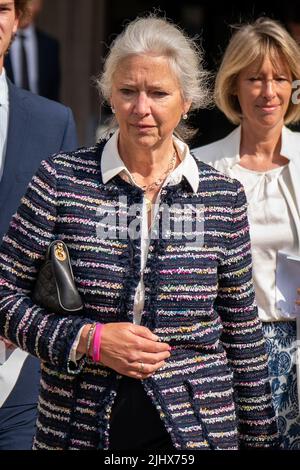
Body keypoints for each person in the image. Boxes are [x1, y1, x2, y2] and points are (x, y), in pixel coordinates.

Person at [0, 15, 278, 450]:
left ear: (187, 100)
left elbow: (242, 333)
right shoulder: (61, 180)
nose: (141, 108)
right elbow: (4, 297)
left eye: (158, 93)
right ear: (110, 94)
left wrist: (262, 440)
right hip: (79, 426)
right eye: (128, 91)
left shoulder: (222, 197)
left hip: (199, 429)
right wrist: (88, 340)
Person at [193, 17, 300, 449]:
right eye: (255, 78)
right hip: (225, 354)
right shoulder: (198, 167)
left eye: (280, 78)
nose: (268, 92)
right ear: (234, 86)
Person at [0, 0, 78, 450]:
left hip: (20, 371)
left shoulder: (54, 122)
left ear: (19, 18)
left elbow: (67, 243)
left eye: (3, 7)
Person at [5, 0, 61, 101]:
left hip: (41, 111)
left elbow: (53, 94)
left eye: (30, 2)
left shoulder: (50, 46)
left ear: (39, 4)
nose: (25, 8)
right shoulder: (3, 42)